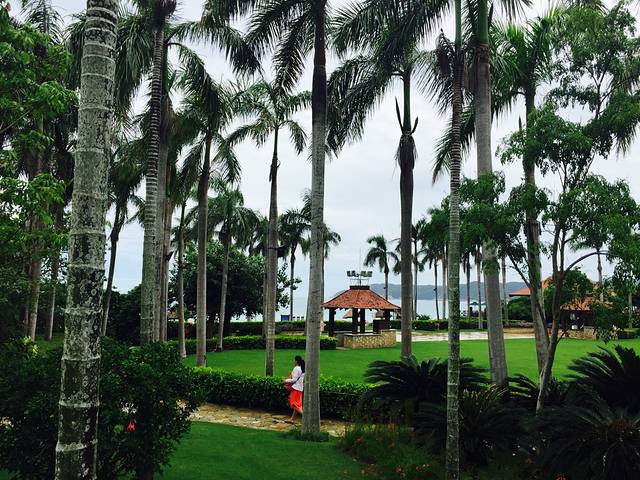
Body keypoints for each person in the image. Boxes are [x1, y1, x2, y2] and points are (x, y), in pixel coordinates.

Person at [283, 355, 304, 422]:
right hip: (299, 388)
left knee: (295, 405)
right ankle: (292, 419)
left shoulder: (296, 368)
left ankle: (307, 418)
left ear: (296, 361)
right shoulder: (301, 369)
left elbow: (294, 380)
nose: (293, 361)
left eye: (294, 360)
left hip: (296, 388)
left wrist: (286, 380)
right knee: (297, 404)